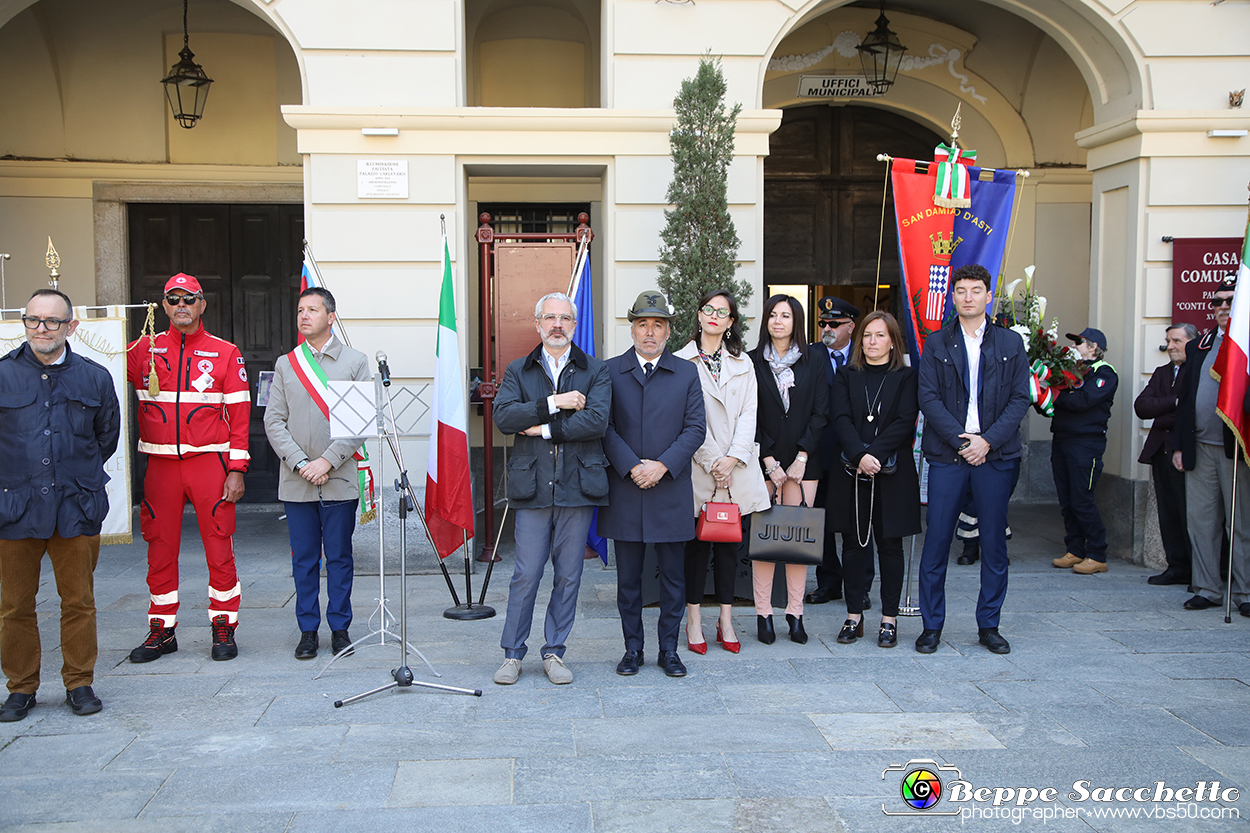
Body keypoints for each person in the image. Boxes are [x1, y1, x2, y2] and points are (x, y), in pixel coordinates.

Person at [0, 290, 119, 723]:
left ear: (71, 326)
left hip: (76, 506)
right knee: (14, 605)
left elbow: (106, 437)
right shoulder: (3, 375)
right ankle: (21, 687)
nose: (42, 329)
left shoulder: (94, 378)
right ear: (24, 323)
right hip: (15, 510)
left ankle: (79, 681)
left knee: (79, 602)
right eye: (33, 320)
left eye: (52, 321)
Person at [126, 273, 250, 663]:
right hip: (159, 466)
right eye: (173, 299)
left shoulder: (225, 352)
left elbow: (241, 415)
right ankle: (161, 631)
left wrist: (237, 469)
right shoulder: (141, 350)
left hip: (208, 464)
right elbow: (96, 364)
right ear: (163, 306)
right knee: (159, 549)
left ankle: (223, 625)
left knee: (219, 546)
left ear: (202, 305)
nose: (181, 305)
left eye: (189, 298)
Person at [491, 292, 611, 685]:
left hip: (577, 487)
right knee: (525, 574)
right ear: (537, 323)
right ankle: (512, 654)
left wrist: (541, 427)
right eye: (550, 318)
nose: (557, 324)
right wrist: (554, 402)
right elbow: (505, 417)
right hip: (533, 490)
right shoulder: (518, 370)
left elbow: (595, 421)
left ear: (574, 325)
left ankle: (554, 651)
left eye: (565, 318)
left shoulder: (595, 370)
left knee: (569, 575)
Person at [914, 263, 1029, 655]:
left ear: (988, 295)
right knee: (937, 542)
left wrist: (987, 442)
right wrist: (963, 443)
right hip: (948, 455)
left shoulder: (1010, 343)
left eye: (975, 290)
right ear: (953, 296)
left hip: (995, 457)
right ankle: (931, 627)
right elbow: (927, 398)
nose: (967, 297)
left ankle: (989, 625)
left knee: (994, 544)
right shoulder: (936, 343)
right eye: (961, 290)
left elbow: (1019, 400)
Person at [600, 290, 705, 678]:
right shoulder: (609, 372)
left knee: (673, 579)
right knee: (628, 581)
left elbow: (695, 429)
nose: (650, 332)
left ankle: (668, 651)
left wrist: (661, 466)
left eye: (657, 325)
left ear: (668, 331)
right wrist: (632, 466)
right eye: (643, 324)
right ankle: (632, 650)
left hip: (669, 490)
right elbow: (605, 428)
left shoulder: (686, 372)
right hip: (626, 491)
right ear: (632, 329)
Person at [264, 287, 371, 661]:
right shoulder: (285, 364)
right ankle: (307, 630)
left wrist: (326, 461)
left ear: (331, 316)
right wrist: (300, 463)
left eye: (312, 309)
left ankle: (340, 627)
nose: (304, 316)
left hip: (338, 478)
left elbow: (359, 421)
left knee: (339, 557)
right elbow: (273, 420)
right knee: (304, 558)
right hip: (297, 481)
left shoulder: (355, 362)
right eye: (300, 310)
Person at [674, 289, 770, 655]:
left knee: (731, 547)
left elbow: (750, 413)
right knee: (697, 546)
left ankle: (726, 619)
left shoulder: (744, 363)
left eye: (723, 312)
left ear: (731, 322)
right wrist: (715, 460)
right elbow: (686, 418)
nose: (714, 316)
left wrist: (733, 458)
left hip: (738, 469)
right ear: (699, 316)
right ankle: (694, 619)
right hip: (701, 468)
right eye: (709, 310)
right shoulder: (681, 361)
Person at [829, 311, 920, 648]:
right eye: (867, 335)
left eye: (880, 335)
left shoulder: (907, 377)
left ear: (893, 341)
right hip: (852, 472)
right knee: (853, 546)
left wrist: (875, 455)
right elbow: (840, 419)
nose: (872, 342)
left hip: (892, 473)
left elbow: (905, 420)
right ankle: (854, 615)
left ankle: (889, 619)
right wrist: (860, 456)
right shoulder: (846, 375)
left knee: (890, 547)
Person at [749, 294, 828, 645]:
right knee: (765, 542)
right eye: (773, 315)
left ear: (797, 321)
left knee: (798, 542)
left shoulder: (815, 361)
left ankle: (795, 614)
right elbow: (747, 415)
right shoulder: (751, 362)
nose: (778, 321)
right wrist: (768, 459)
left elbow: (821, 412)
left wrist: (802, 456)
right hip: (762, 465)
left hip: (802, 468)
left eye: (786, 315)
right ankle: (763, 614)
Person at [1174, 276, 1250, 616]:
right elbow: (1185, 399)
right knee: (1201, 522)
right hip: (1200, 446)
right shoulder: (1199, 345)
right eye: (1217, 302)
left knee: (1241, 524)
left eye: (1229, 301)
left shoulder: (1246, 344)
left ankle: (1245, 591)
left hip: (1237, 449)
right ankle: (1207, 588)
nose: (1222, 307)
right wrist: (1179, 445)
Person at [806, 295, 863, 607]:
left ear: (851, 327)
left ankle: (860, 587)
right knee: (822, 524)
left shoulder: (865, 352)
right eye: (822, 323)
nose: (826, 328)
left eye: (834, 323)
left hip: (857, 455)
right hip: (820, 453)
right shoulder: (810, 354)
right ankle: (828, 583)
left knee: (857, 525)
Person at [1049, 327, 1119, 574]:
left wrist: (1053, 396)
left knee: (1082, 498)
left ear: (1093, 346)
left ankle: (1097, 553)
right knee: (1067, 499)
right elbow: (1059, 403)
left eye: (1079, 343)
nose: (1075, 346)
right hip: (1063, 439)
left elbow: (1083, 401)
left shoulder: (1104, 373)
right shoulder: (1074, 371)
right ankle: (1075, 549)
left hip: (1085, 444)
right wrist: (1045, 397)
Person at [1136, 323, 1196, 586]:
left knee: (1190, 513)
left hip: (1185, 452)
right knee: (1168, 512)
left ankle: (1199, 570)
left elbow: (1192, 410)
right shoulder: (1161, 373)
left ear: (1192, 343)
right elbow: (1142, 406)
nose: (1170, 346)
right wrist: (1174, 402)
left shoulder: (1196, 370)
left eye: (1177, 341)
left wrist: (1164, 412)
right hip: (1160, 450)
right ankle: (1177, 566)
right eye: (1168, 340)